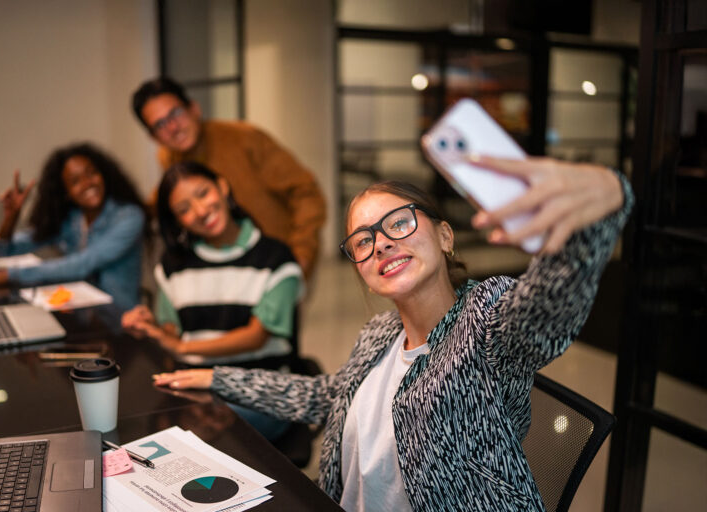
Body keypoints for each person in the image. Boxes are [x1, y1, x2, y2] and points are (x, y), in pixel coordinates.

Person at [152, 156, 633, 511]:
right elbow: (327, 396)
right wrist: (217, 378)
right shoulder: (378, 334)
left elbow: (552, 304)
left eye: (399, 223)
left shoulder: (485, 323)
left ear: (445, 236)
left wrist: (606, 196)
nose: (381, 242)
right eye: (364, 240)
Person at [122, 161, 302, 440]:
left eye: (203, 193)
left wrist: (182, 346)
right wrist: (150, 327)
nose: (200, 211)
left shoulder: (276, 259)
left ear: (222, 187)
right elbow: (171, 331)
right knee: (138, 417)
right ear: (176, 220)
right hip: (193, 389)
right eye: (184, 209)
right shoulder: (172, 265)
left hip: (259, 390)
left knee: (206, 434)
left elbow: (256, 337)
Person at [131, 77, 326, 279]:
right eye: (160, 124)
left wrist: (301, 254)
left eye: (176, 113)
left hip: (278, 259)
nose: (173, 127)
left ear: (194, 109)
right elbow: (162, 199)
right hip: (230, 266)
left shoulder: (244, 138)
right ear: (153, 137)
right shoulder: (169, 157)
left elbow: (306, 192)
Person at [0, 143, 146, 311]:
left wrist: (7, 275)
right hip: (80, 312)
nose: (88, 183)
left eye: (92, 173)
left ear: (103, 174)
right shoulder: (72, 218)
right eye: (75, 181)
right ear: (65, 192)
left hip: (120, 317)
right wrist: (11, 218)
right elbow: (5, 251)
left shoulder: (128, 217)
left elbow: (83, 264)